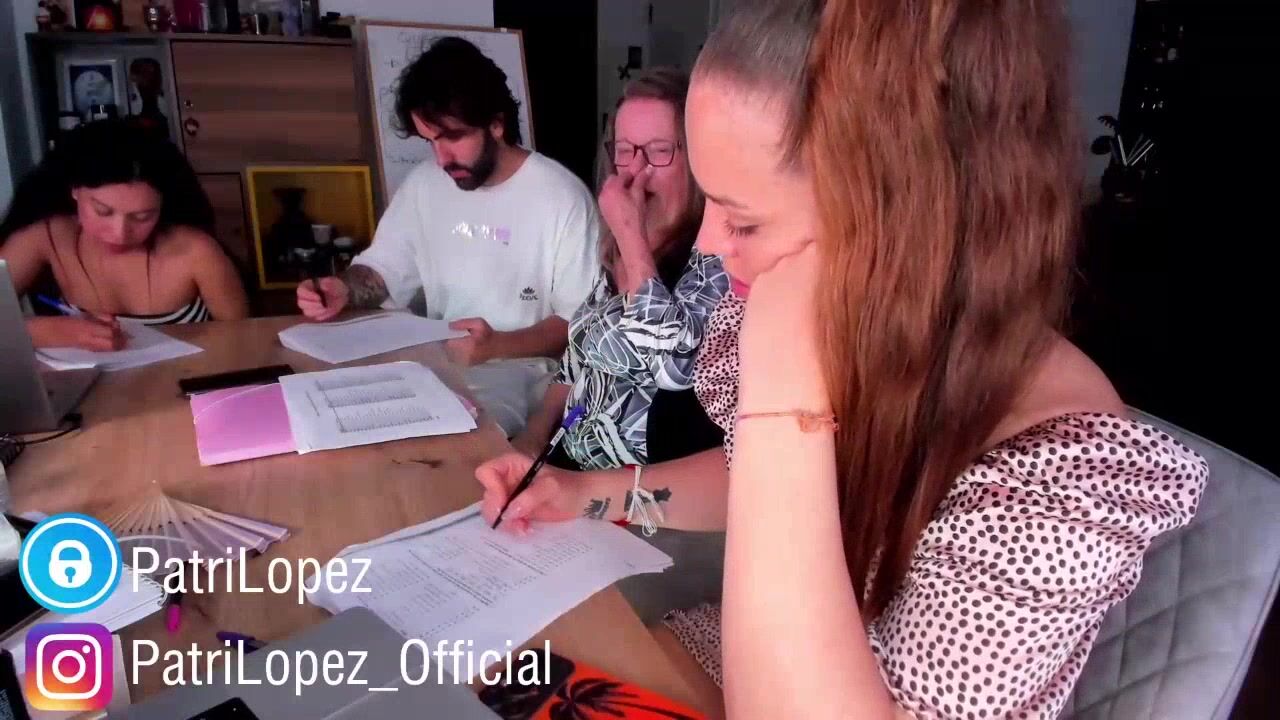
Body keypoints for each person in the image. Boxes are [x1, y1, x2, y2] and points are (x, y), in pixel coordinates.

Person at [473, 1, 1209, 718]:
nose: (709, 247)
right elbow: (758, 479)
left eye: (743, 221)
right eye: (711, 206)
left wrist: (782, 389)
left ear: (899, 218)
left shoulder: (1060, 479)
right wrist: (588, 493)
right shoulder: (870, 331)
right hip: (738, 652)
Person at [296, 37, 600, 374]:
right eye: (430, 141)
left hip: (528, 377)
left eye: (453, 137)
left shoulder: (562, 196)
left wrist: (497, 345)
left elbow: (581, 322)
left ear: (496, 124)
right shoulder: (423, 185)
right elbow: (385, 269)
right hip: (440, 368)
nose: (441, 159)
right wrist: (342, 289)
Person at [512, 67, 729, 470]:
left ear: (697, 159)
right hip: (566, 469)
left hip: (642, 493)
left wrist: (631, 238)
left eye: (659, 151)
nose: (636, 171)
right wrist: (533, 437)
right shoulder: (616, 249)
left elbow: (673, 368)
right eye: (625, 150)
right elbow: (579, 360)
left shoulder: (716, 256)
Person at [0, 119, 247, 351]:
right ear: (75, 190)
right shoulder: (47, 237)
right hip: (90, 383)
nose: (120, 233)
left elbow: (243, 340)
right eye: (103, 211)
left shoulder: (196, 251)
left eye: (142, 216)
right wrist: (50, 331)